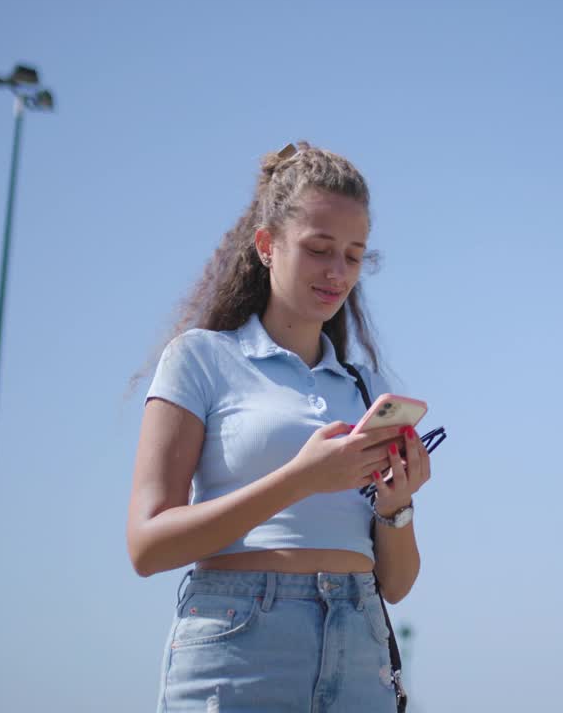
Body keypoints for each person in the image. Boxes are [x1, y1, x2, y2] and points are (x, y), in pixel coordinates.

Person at [127, 141, 429, 712]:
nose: (337, 272)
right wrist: (301, 479)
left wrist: (397, 506)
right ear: (267, 246)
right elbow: (146, 545)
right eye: (319, 249)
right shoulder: (200, 359)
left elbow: (396, 584)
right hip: (240, 645)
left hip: (359, 641)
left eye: (353, 254)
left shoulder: (364, 386)